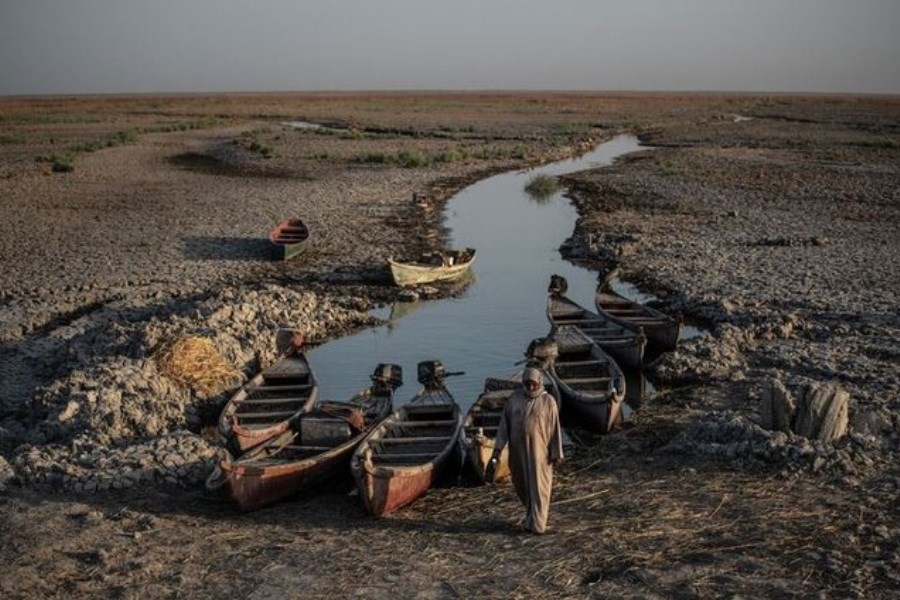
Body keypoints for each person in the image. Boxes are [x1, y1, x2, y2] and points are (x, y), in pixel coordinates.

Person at [485, 367, 563, 534]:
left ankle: (539, 526)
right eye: (527, 383)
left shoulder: (548, 401)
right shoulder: (514, 399)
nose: (531, 387)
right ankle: (530, 518)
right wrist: (497, 451)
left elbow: (554, 429)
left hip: (539, 453)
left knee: (539, 487)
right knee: (521, 485)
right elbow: (504, 427)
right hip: (517, 452)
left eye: (534, 384)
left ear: (540, 382)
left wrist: (556, 453)